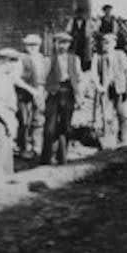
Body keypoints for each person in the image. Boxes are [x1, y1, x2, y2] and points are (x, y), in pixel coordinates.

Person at [40, 32, 83, 165]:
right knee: (49, 128)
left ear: (69, 44)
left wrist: (80, 96)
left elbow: (79, 78)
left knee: (66, 126)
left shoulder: (75, 59)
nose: (63, 45)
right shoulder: (49, 59)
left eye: (65, 43)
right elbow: (42, 80)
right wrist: (41, 99)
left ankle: (62, 156)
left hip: (69, 93)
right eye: (60, 42)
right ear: (55, 44)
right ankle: (46, 158)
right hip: (53, 94)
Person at [91, 32, 127, 145]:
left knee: (122, 113)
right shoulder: (98, 56)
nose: (106, 45)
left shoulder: (120, 55)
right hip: (105, 89)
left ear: (114, 43)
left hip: (119, 88)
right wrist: (98, 86)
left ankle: (124, 138)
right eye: (104, 43)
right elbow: (94, 74)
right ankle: (108, 139)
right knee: (106, 115)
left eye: (109, 43)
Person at [16, 34, 48, 159]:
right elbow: (16, 79)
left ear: (39, 45)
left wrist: (41, 91)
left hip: (40, 92)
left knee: (39, 120)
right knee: (24, 121)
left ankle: (36, 147)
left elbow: (44, 78)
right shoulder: (21, 58)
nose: (32, 47)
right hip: (24, 93)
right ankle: (23, 147)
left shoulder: (43, 59)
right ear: (25, 46)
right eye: (29, 45)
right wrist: (30, 90)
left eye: (35, 45)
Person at [65, 6, 94, 71]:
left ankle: (82, 71)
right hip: (73, 41)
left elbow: (88, 34)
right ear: (76, 14)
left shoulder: (86, 22)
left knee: (82, 57)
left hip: (82, 42)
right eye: (78, 13)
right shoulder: (72, 21)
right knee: (73, 57)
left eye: (81, 13)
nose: (80, 15)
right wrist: (73, 34)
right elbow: (68, 30)